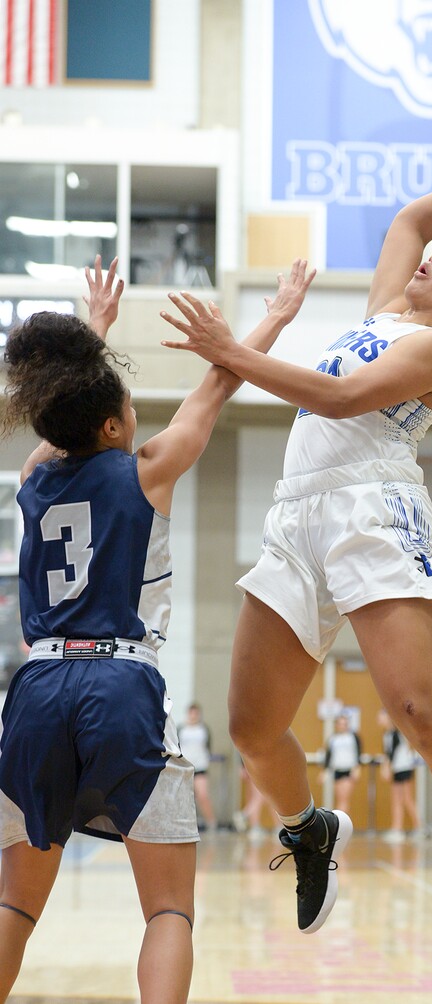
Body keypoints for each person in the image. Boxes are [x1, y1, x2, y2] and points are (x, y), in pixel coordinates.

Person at [160, 157, 432, 930]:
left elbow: (338, 396)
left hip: (372, 509)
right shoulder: (386, 308)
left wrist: (232, 350)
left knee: (420, 708)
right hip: (296, 516)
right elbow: (409, 222)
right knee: (252, 729)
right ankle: (308, 830)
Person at [0, 255, 313, 1004]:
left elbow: (58, 420)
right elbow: (220, 382)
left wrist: (95, 329)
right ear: (113, 423)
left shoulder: (33, 480)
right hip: (117, 683)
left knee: (14, 904)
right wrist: (277, 314)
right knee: (168, 908)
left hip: (36, 687)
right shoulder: (148, 468)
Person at [378, 708, 421, 843]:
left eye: (382, 716)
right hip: (397, 768)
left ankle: (419, 828)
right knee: (396, 799)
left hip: (404, 768)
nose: (379, 719)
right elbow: (388, 753)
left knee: (407, 798)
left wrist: (386, 767)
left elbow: (392, 753)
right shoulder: (387, 734)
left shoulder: (396, 733)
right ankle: (397, 829)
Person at [177, 702, 217, 831]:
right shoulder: (181, 729)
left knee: (203, 795)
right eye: (191, 713)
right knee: (184, 798)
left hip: (200, 767)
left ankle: (212, 823)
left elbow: (208, 747)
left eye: (196, 713)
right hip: (185, 768)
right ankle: (185, 824)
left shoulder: (203, 729)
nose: (193, 716)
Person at [320, 712, 363, 817]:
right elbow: (329, 757)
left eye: (345, 723)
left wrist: (357, 768)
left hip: (349, 770)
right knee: (340, 799)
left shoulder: (353, 737)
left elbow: (358, 753)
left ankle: (339, 823)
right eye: (340, 723)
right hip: (337, 771)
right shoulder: (333, 739)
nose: (342, 726)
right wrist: (325, 772)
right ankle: (344, 823)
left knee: (344, 800)